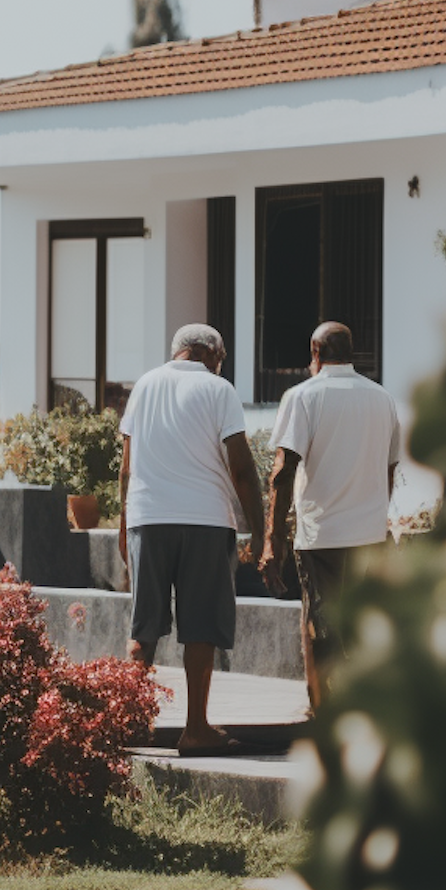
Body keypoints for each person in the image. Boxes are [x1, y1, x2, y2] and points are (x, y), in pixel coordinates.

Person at [117, 323, 266, 756]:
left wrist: (125, 526)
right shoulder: (219, 389)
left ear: (178, 351)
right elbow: (240, 467)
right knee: (200, 628)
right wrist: (258, 528)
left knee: (143, 627)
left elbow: (126, 468)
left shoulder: (144, 385)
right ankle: (196, 729)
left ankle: (126, 721)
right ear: (213, 354)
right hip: (204, 519)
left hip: (148, 517)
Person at [260, 321, 401, 709]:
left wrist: (273, 539)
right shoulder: (382, 398)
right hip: (370, 536)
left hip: (321, 535)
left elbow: (282, 472)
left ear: (314, 351)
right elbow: (389, 470)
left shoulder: (303, 396)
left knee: (322, 629)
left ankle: (326, 714)